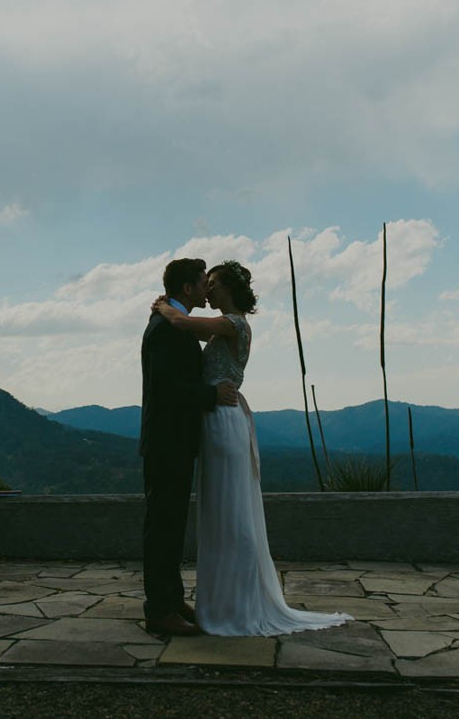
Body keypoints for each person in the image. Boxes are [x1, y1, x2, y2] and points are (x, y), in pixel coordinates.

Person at [154, 260, 352, 636]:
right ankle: (224, 600)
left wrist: (164, 305)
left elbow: (181, 324)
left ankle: (238, 604)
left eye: (211, 282)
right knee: (222, 511)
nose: (206, 289)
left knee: (230, 512)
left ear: (227, 286)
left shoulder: (234, 324)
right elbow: (186, 336)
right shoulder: (221, 328)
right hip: (217, 418)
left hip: (223, 421)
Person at [140, 257, 238, 636]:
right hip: (166, 442)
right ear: (187, 289)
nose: (205, 290)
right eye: (202, 283)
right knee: (163, 527)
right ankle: (158, 611)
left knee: (172, 525)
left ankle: (171, 598)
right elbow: (167, 389)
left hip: (175, 441)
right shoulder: (165, 329)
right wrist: (212, 394)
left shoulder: (172, 323)